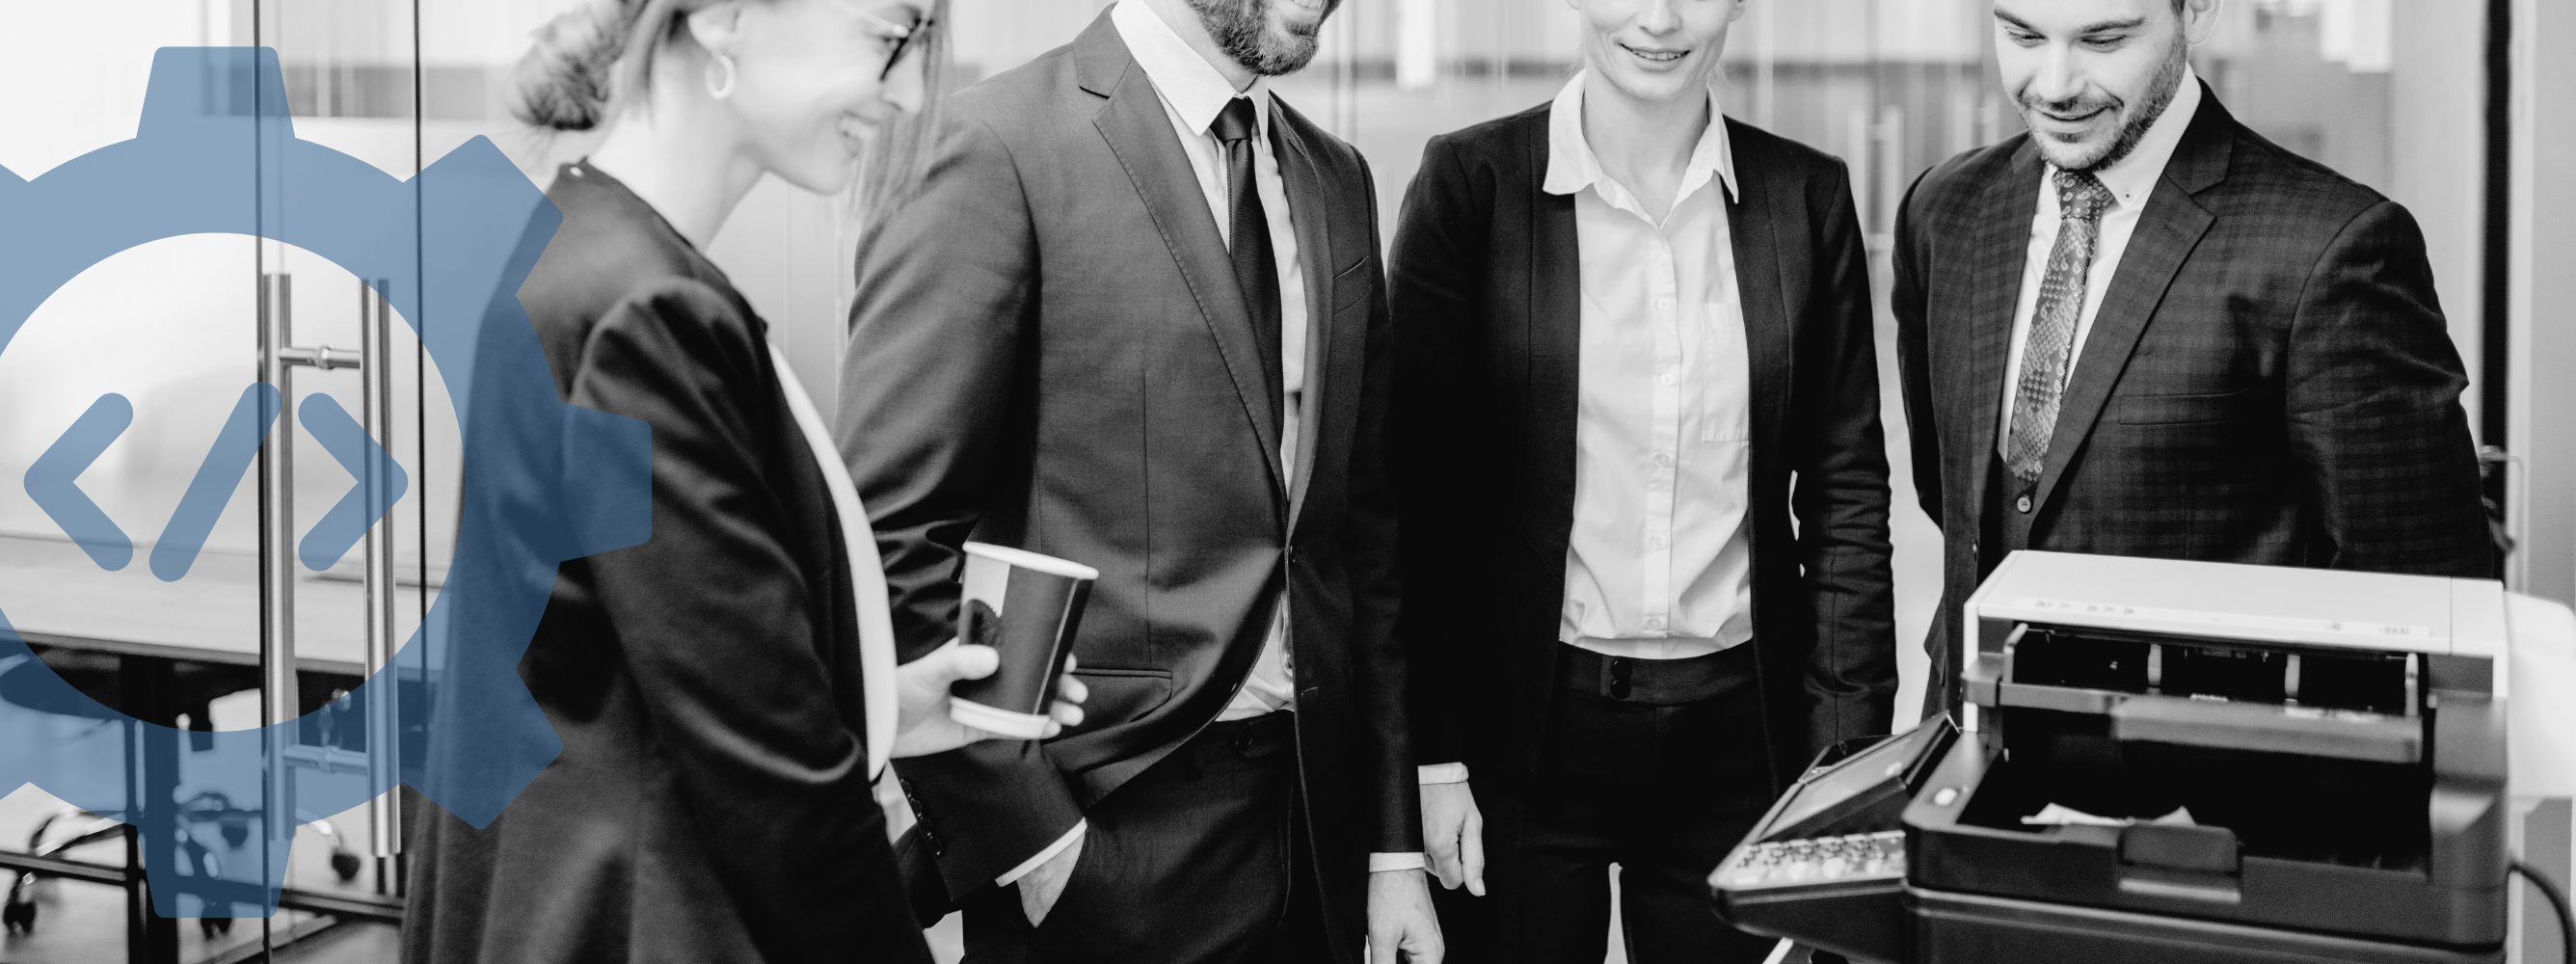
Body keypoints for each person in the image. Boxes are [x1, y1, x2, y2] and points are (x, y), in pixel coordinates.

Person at [399, 2, 1087, 961]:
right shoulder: (647, 313)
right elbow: (771, 781)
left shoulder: (584, 250)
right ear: (723, 18)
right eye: (889, 37)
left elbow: (637, 658)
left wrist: (874, 708)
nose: (907, 94)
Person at [835, 0, 1444, 959]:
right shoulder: (990, 146)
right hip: (1106, 828)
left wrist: (1391, 843)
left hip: (1316, 831)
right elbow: (890, 540)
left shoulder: (1335, 177)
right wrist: (1036, 840)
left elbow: (1359, 535)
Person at [1385, 0, 1897, 960]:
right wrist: (1433, 756)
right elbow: (1416, 499)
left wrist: (1846, 771)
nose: (1658, 19)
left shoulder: (1806, 195)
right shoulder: (1471, 183)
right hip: (1523, 739)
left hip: (1742, 746)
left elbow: (1848, 500)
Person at [1892, 0, 2498, 721]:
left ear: (2198, 10)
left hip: (2201, 773)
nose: (2054, 85)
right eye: (2022, 34)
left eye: (2103, 39)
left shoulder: (2333, 247)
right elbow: (1950, 494)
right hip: (1962, 743)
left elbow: (2425, 602)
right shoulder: (1944, 210)